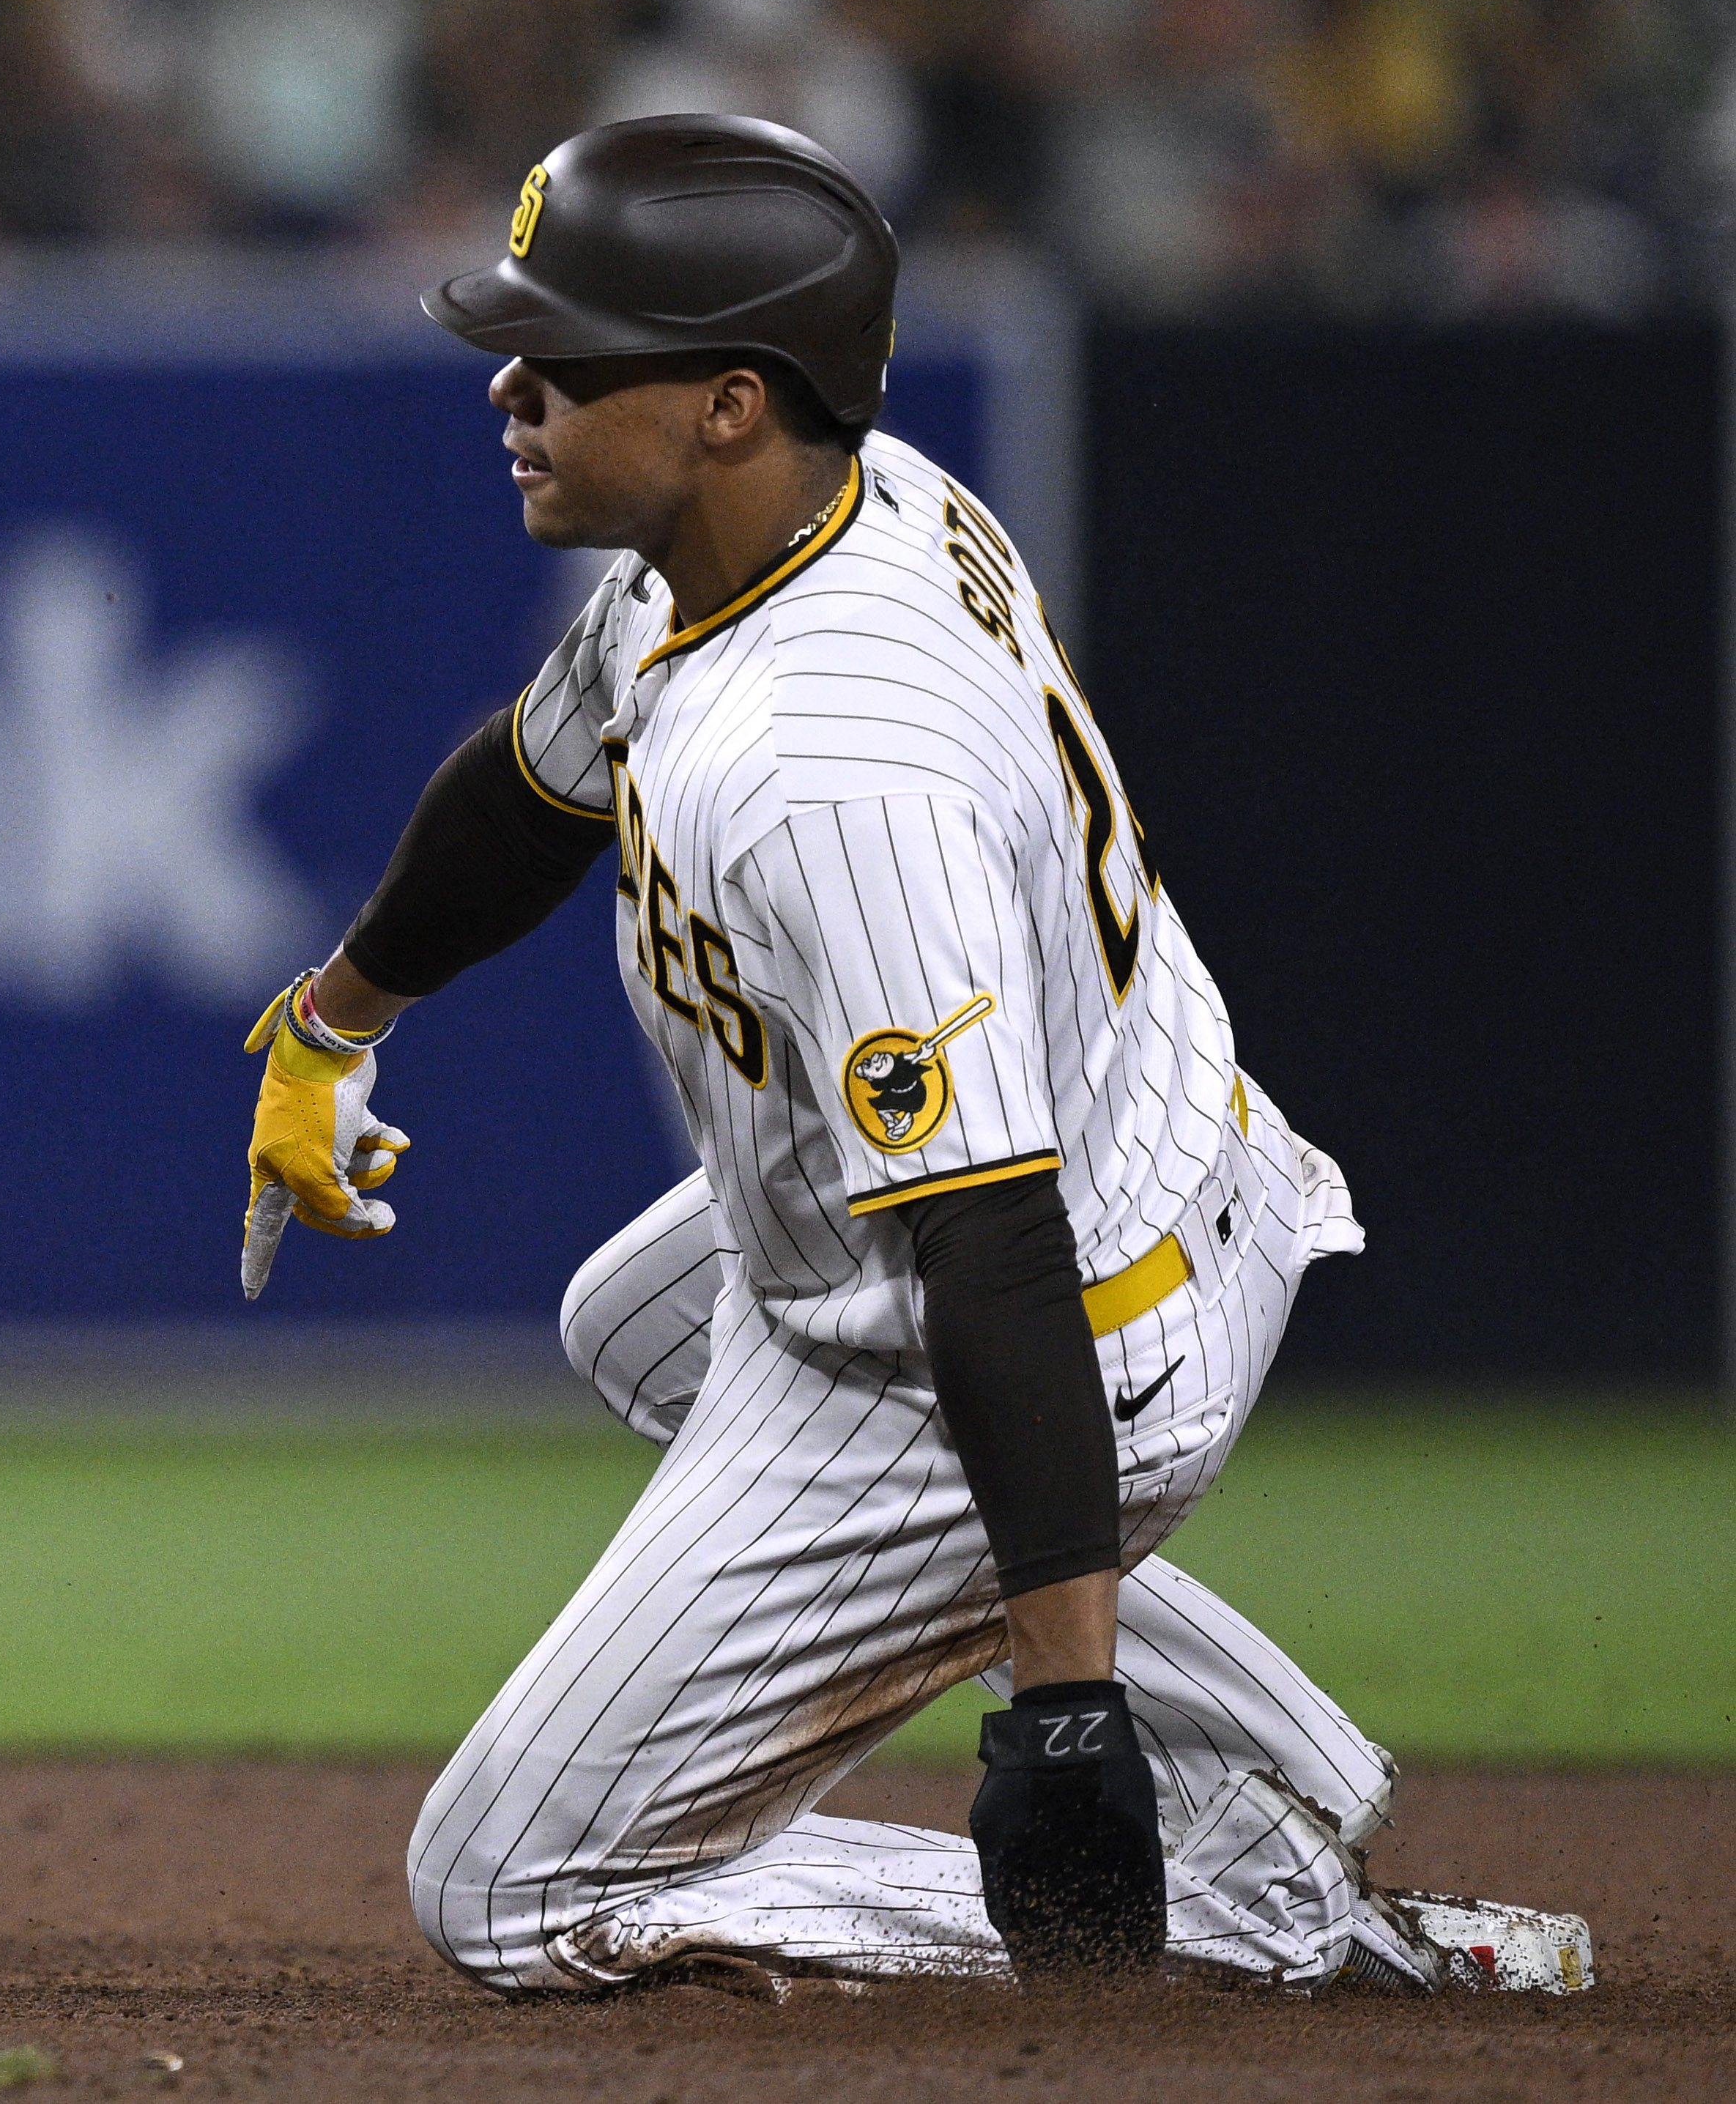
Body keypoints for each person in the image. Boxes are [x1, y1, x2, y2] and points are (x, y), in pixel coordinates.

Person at [233, 111, 1590, 1996]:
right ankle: (1282, 1773)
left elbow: (988, 1238)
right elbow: (532, 793)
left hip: (1068, 1310)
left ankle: (1254, 1910)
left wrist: (1062, 1706)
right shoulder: (798, 523)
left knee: (496, 1890)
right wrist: (333, 1017)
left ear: (725, 402)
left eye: (566, 357)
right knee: (630, 1325)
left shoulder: (825, 763)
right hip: (1153, 1153)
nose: (510, 385)